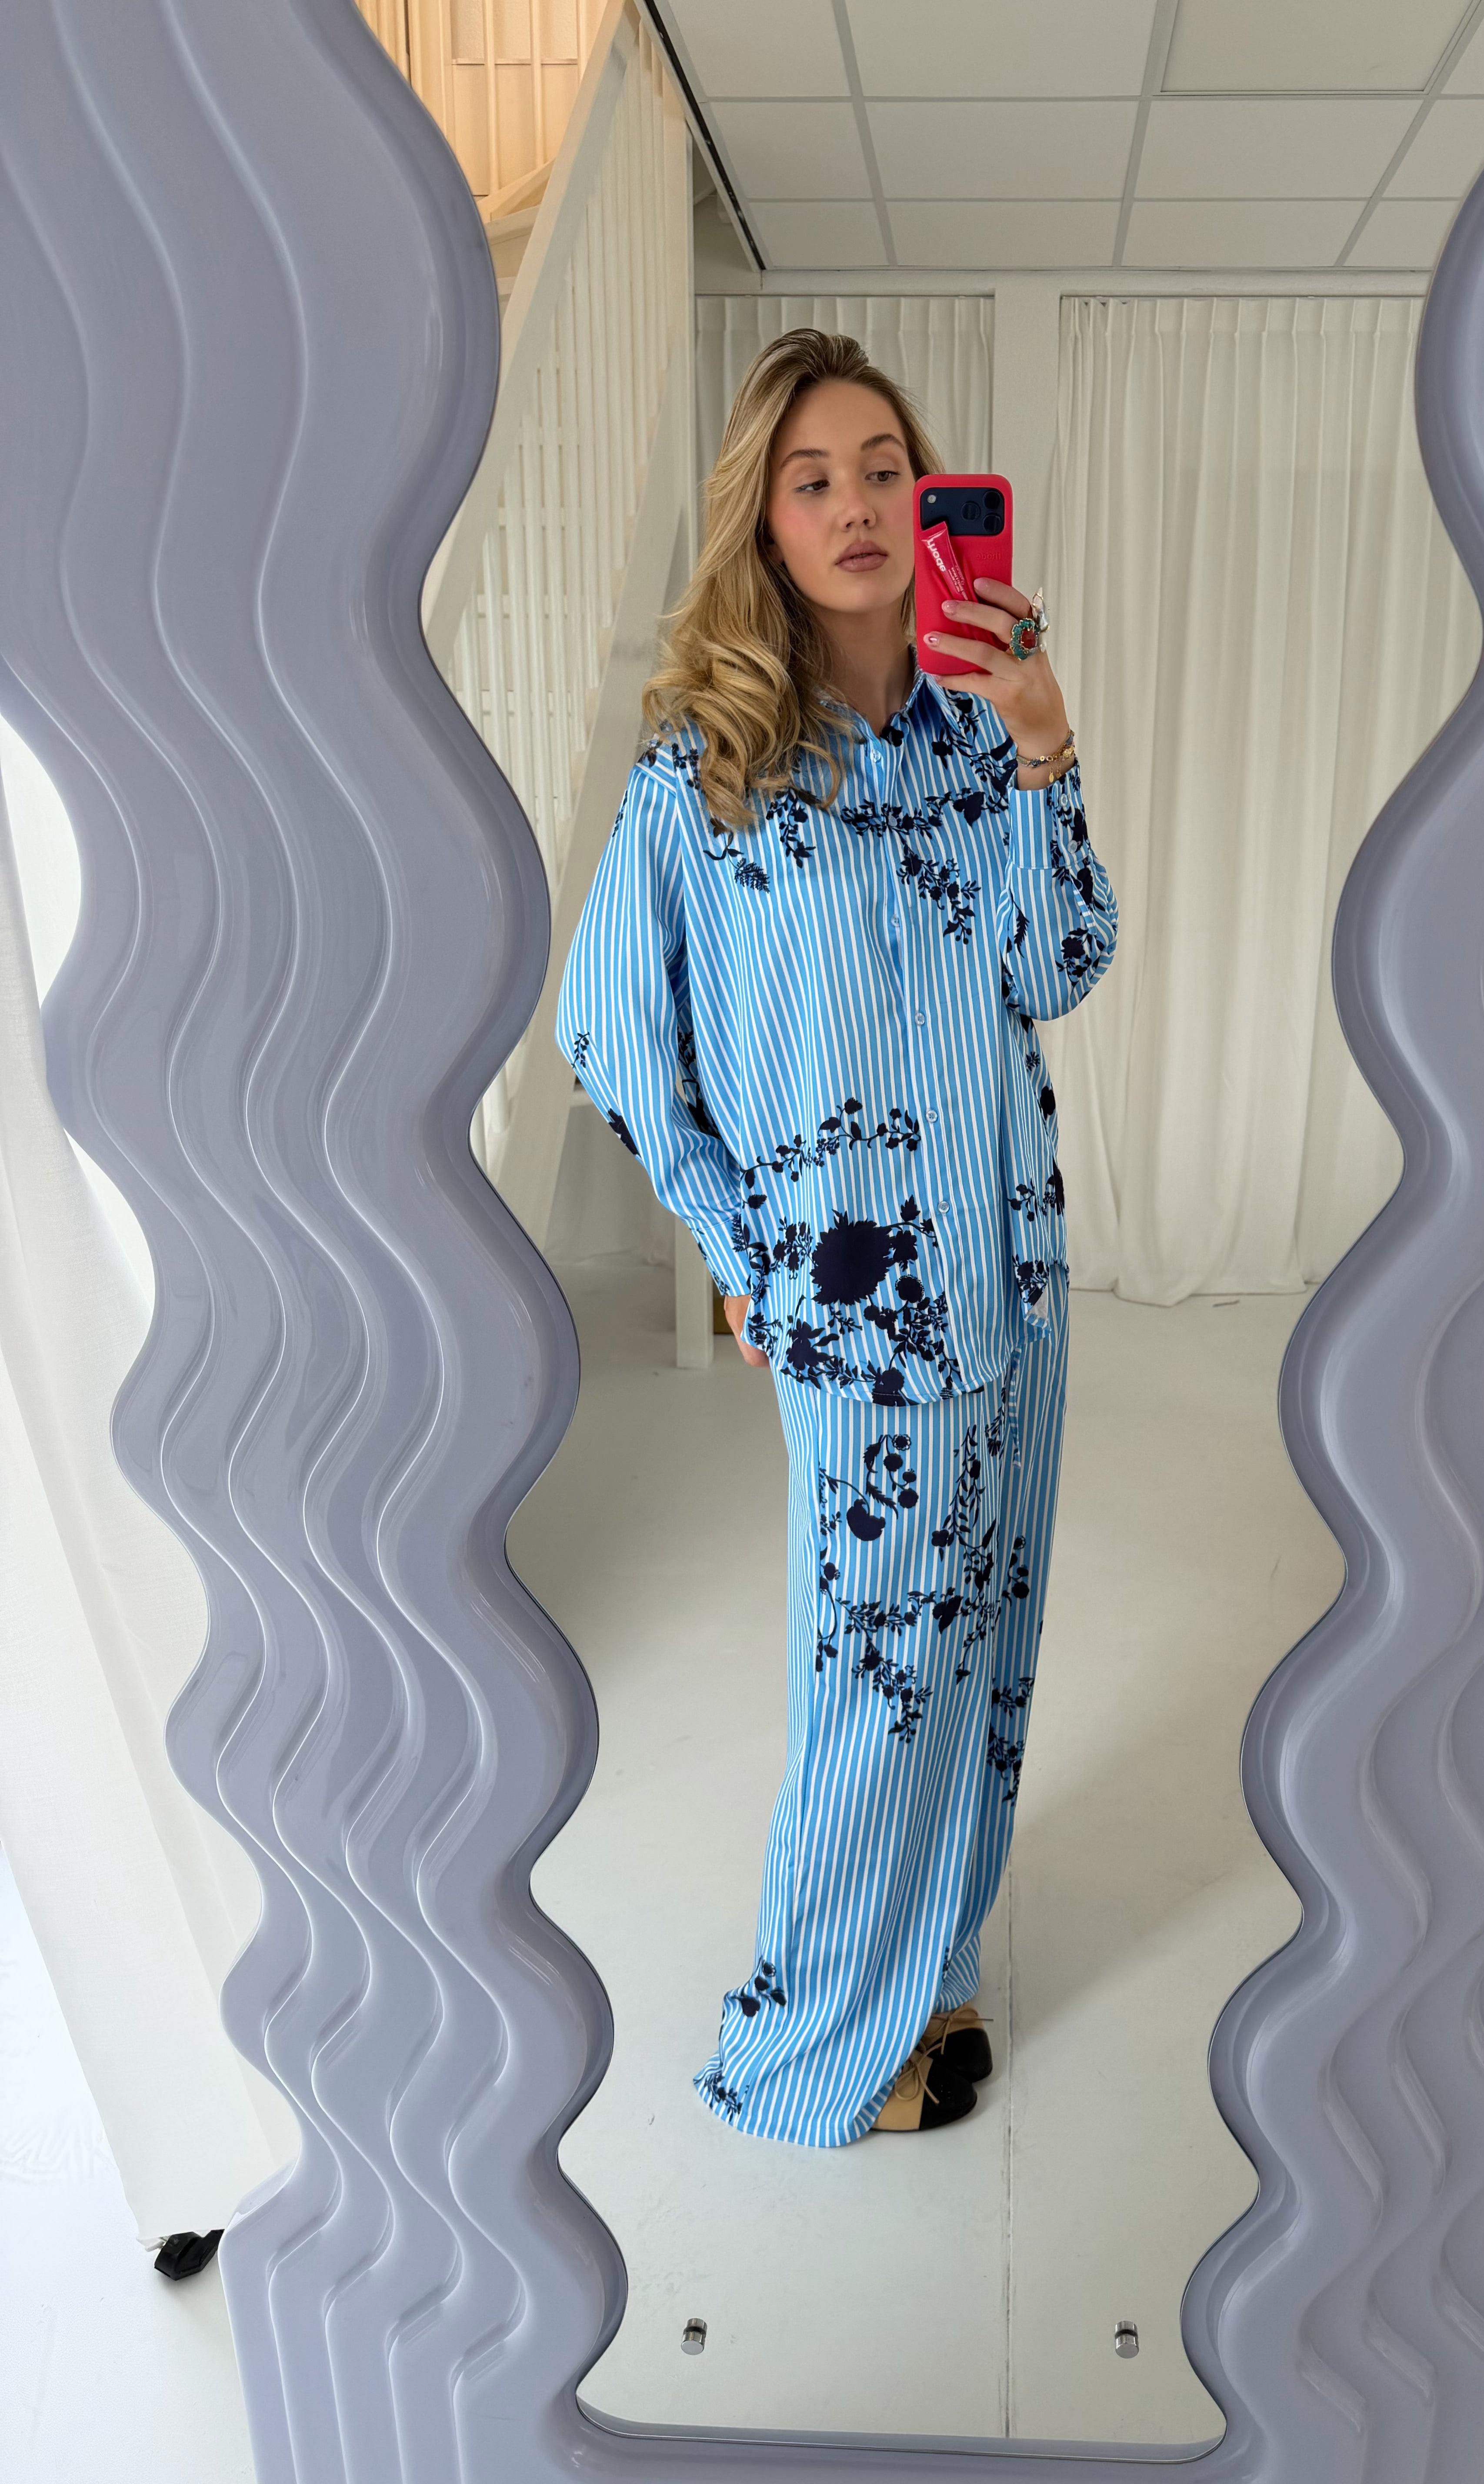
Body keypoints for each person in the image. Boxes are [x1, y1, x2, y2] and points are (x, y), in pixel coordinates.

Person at [554, 327, 1117, 2145]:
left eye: (886, 468)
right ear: (766, 525)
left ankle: (925, 1974)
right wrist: (750, 1250)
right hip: (864, 1314)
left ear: (931, 501)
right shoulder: (704, 773)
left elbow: (1061, 962)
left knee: (984, 1652)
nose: (859, 504)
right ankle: (808, 2054)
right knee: (875, 1677)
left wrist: (1043, 747)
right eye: (814, 480)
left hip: (1013, 1274)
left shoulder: (979, 739)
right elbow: (611, 1036)